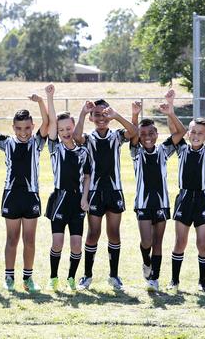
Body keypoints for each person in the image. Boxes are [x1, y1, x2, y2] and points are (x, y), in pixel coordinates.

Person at [0, 94, 49, 292]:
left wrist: (41, 102)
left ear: (32, 126)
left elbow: (48, 122)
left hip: (31, 196)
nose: (23, 132)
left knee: (30, 239)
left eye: (27, 128)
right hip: (11, 196)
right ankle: (9, 277)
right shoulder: (6, 142)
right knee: (12, 238)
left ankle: (28, 278)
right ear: (13, 128)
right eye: (19, 128)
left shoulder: (37, 143)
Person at [73, 98, 137, 290]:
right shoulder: (89, 137)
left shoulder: (116, 135)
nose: (101, 118)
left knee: (114, 233)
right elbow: (76, 137)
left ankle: (114, 276)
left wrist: (116, 115)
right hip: (94, 192)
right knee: (93, 233)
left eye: (105, 114)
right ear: (92, 117)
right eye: (97, 115)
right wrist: (83, 113)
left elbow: (133, 132)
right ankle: (87, 275)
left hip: (114, 191)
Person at [130, 91, 186, 292]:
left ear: (156, 133)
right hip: (143, 203)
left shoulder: (163, 150)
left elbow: (181, 132)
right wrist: (135, 115)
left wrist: (170, 113)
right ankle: (146, 262)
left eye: (151, 133)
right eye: (143, 134)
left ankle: (154, 278)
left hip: (162, 202)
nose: (147, 137)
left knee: (158, 242)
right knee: (146, 241)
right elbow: (132, 133)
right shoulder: (136, 151)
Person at [166, 90, 205, 293]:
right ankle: (174, 280)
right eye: (193, 132)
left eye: (200, 133)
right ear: (188, 134)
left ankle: (203, 281)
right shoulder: (182, 149)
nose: (196, 136)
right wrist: (170, 108)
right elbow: (173, 130)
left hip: (203, 198)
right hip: (185, 197)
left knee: (202, 243)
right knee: (180, 241)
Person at [44, 84, 91, 291]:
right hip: (59, 199)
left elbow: (87, 176)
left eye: (68, 128)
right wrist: (50, 98)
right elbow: (52, 122)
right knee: (57, 243)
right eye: (61, 129)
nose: (64, 132)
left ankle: (71, 277)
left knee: (76, 245)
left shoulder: (83, 151)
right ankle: (53, 277)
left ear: (74, 127)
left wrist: (85, 198)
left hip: (77, 200)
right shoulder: (55, 147)